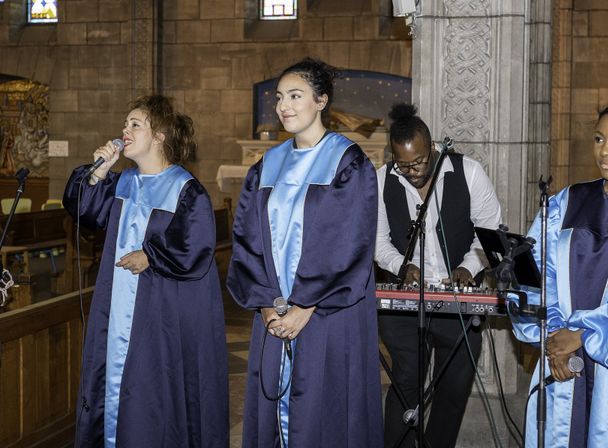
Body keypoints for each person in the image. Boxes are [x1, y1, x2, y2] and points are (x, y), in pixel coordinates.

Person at [227, 58, 383, 447]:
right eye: (279, 97)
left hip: (327, 313)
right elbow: (247, 239)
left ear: (321, 101)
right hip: (274, 314)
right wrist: (264, 303)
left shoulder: (347, 162)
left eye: (295, 96)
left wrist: (305, 306)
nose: (284, 106)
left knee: (323, 409)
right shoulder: (266, 166)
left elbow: (348, 242)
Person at [63, 95, 229, 448]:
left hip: (160, 311)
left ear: (160, 135)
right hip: (116, 305)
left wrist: (151, 256)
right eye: (125, 124)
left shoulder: (185, 189)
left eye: (135, 124)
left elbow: (196, 246)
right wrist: (98, 171)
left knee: (151, 392)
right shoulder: (121, 182)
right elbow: (84, 212)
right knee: (113, 379)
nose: (125, 130)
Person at [374, 103, 502, 448]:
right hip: (404, 307)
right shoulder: (383, 178)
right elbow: (377, 240)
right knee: (405, 385)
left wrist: (468, 267)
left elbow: (489, 232)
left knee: (453, 391)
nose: (413, 172)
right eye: (404, 164)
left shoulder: (469, 172)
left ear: (432, 148)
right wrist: (402, 265)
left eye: (419, 163)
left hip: (458, 303)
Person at [510, 108, 608, 448]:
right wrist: (554, 338)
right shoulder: (568, 202)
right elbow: (535, 273)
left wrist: (582, 335)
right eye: (599, 139)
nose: (604, 151)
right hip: (563, 362)